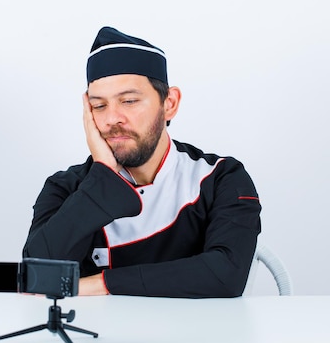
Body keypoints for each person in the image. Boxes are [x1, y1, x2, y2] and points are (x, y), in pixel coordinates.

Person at [23, 26, 261, 298]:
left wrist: (100, 284)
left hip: (198, 338)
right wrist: (102, 178)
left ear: (169, 103)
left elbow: (224, 275)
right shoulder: (66, 188)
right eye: (99, 106)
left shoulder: (220, 177)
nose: (112, 119)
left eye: (129, 101)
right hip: (94, 339)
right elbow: (36, 276)